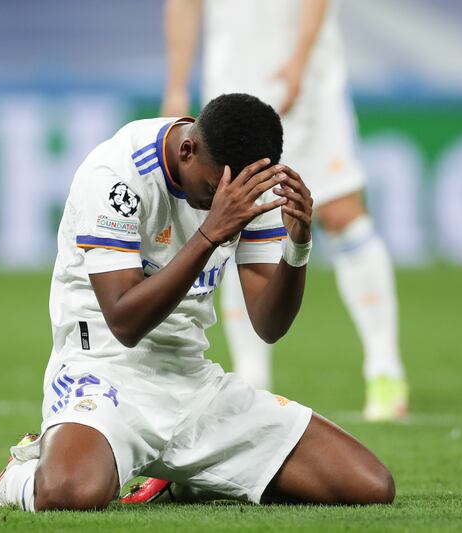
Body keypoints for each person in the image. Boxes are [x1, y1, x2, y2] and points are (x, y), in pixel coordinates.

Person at [0, 93, 394, 511]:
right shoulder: (115, 176)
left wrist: (299, 245)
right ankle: (20, 474)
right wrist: (210, 234)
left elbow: (269, 326)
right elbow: (124, 322)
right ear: (187, 150)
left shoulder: (248, 186)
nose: (223, 201)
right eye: (214, 188)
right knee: (71, 493)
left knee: (370, 487)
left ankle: (185, 479)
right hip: (103, 373)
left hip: (193, 382)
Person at [162, 0, 408, 421]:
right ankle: (253, 379)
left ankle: (385, 370)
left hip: (304, 79)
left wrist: (299, 59)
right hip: (232, 80)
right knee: (238, 219)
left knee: (340, 212)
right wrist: (177, 83)